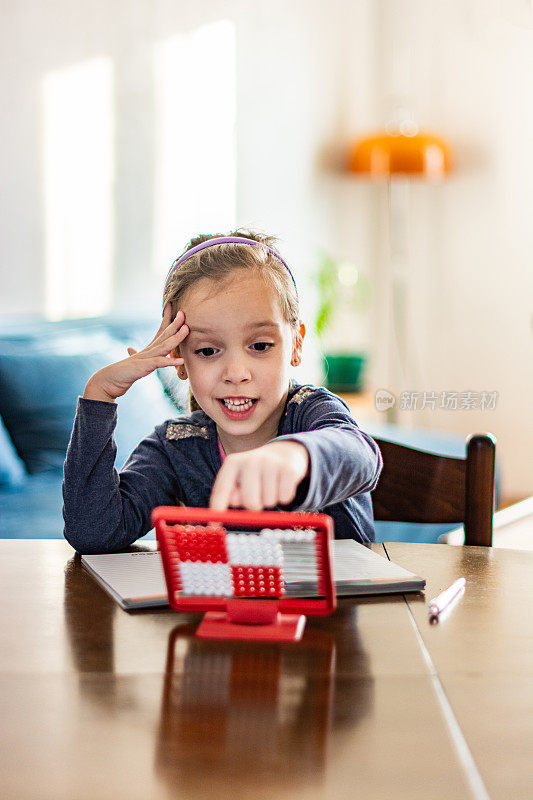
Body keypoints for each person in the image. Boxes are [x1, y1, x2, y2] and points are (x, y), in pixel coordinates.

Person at [62, 229, 383, 554]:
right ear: (179, 360)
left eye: (260, 345)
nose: (235, 374)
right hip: (225, 604)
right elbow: (93, 532)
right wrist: (99, 395)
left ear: (296, 345)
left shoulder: (311, 412)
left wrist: (295, 454)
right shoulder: (176, 448)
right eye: (207, 351)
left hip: (338, 605)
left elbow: (361, 457)